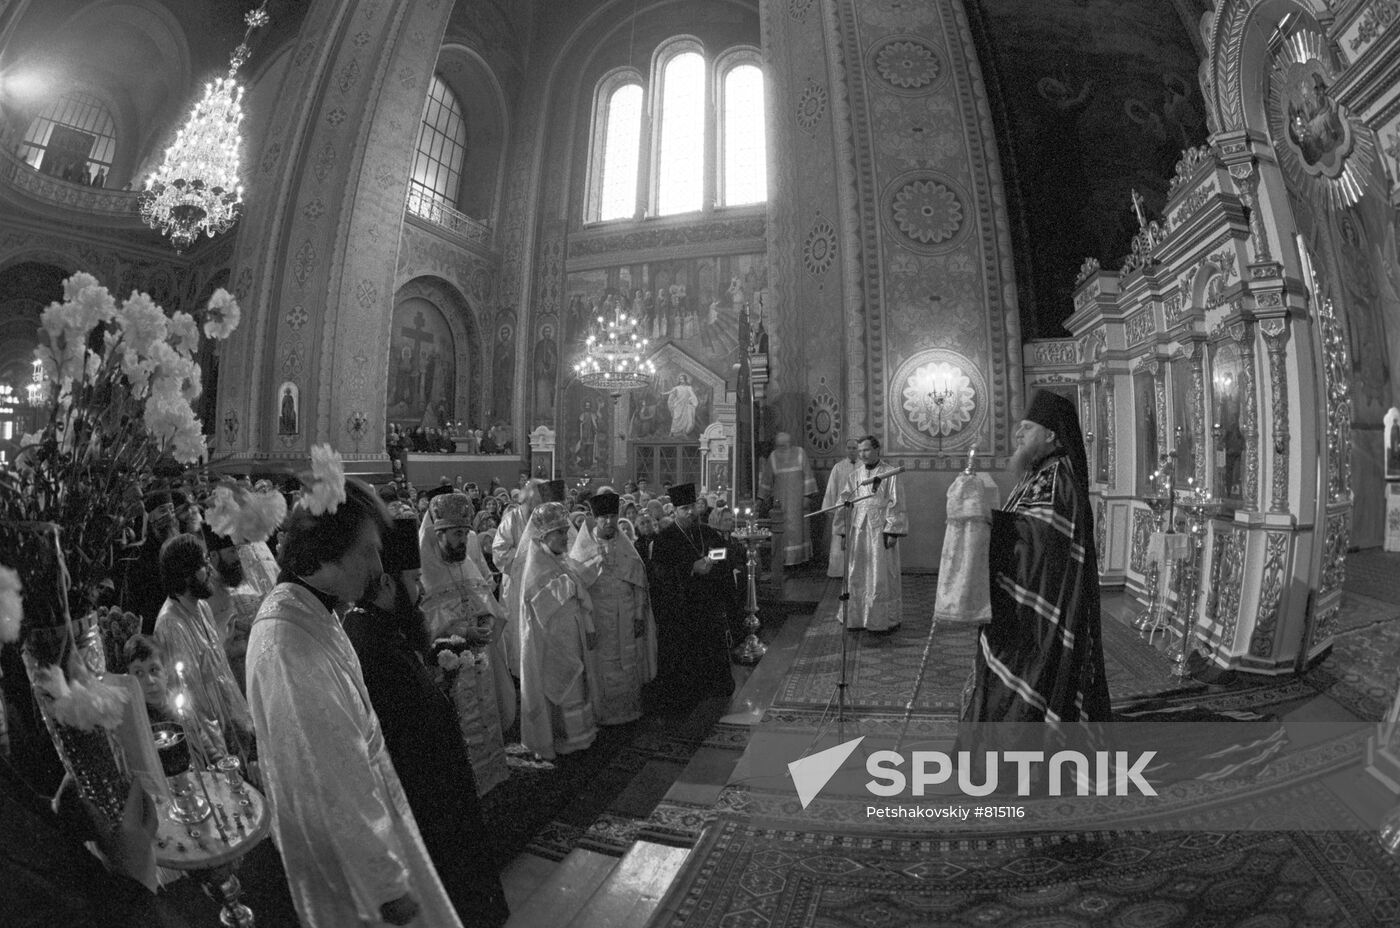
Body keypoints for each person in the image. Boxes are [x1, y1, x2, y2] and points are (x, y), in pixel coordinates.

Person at [247, 472, 461, 928]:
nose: (378, 566)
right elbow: (333, 775)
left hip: (370, 832)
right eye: (367, 551)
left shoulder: (309, 611)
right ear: (329, 551)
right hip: (352, 872)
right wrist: (386, 886)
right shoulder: (288, 647)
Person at [344, 515, 510, 928]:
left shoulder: (380, 625)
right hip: (423, 790)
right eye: (415, 580)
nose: (420, 590)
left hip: (434, 780)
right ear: (386, 583)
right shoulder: (367, 638)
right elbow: (397, 726)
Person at [961, 390, 1111, 724]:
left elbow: (1041, 545)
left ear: (1051, 435)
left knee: (1027, 684)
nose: (1018, 433)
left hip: (1039, 614)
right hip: (1020, 602)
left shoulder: (1056, 478)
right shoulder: (1038, 473)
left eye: (1027, 428)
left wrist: (987, 522)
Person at [419, 491, 514, 796]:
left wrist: (486, 622)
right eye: (457, 534)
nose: (463, 541)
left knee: (486, 710)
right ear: (438, 534)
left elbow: (488, 604)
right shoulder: (424, 575)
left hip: (480, 659)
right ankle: (466, 782)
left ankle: (491, 772)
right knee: (461, 721)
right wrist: (463, 631)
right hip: (450, 669)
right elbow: (423, 628)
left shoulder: (466, 564)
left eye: (465, 533)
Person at [153, 533, 255, 765]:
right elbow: (190, 704)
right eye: (203, 563)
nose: (210, 569)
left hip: (237, 738)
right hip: (216, 754)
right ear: (185, 574)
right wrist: (218, 758)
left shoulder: (202, 607)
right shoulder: (171, 626)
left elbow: (220, 676)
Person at [569, 491, 656, 725]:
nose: (609, 521)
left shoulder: (627, 548)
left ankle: (629, 709)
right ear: (595, 519)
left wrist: (639, 615)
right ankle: (604, 713)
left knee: (628, 658)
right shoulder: (583, 549)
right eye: (604, 517)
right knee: (603, 662)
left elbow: (639, 585)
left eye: (612, 516)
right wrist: (588, 625)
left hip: (626, 614)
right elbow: (579, 590)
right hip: (598, 616)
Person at [646, 483, 735, 712]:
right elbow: (660, 574)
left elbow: (724, 554)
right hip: (682, 608)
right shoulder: (665, 539)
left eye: (692, 507)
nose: (690, 512)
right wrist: (691, 568)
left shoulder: (707, 532)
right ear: (675, 511)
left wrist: (713, 562)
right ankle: (689, 694)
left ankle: (714, 687)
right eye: (684, 508)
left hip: (708, 603)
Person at [836, 436, 907, 632]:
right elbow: (845, 502)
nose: (862, 454)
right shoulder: (855, 475)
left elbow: (896, 502)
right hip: (858, 529)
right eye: (860, 451)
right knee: (857, 571)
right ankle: (857, 618)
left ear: (877, 450)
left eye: (866, 450)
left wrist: (892, 531)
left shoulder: (890, 473)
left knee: (880, 573)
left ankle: (881, 619)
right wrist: (843, 532)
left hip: (879, 530)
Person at [759, 431, 818, 566]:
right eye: (779, 445)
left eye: (784, 445)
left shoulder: (800, 453)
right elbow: (766, 480)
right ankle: (784, 560)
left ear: (789, 444)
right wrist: (760, 499)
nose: (782, 448)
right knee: (783, 530)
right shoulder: (773, 457)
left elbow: (808, 476)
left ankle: (799, 561)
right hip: (780, 503)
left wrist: (807, 496)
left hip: (798, 502)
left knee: (799, 531)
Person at [822, 438, 860, 578]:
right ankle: (839, 571)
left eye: (854, 448)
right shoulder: (838, 467)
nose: (852, 451)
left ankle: (857, 572)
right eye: (849, 448)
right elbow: (831, 489)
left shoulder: (864, 466)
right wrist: (829, 509)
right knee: (839, 541)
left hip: (859, 510)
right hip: (842, 509)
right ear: (846, 449)